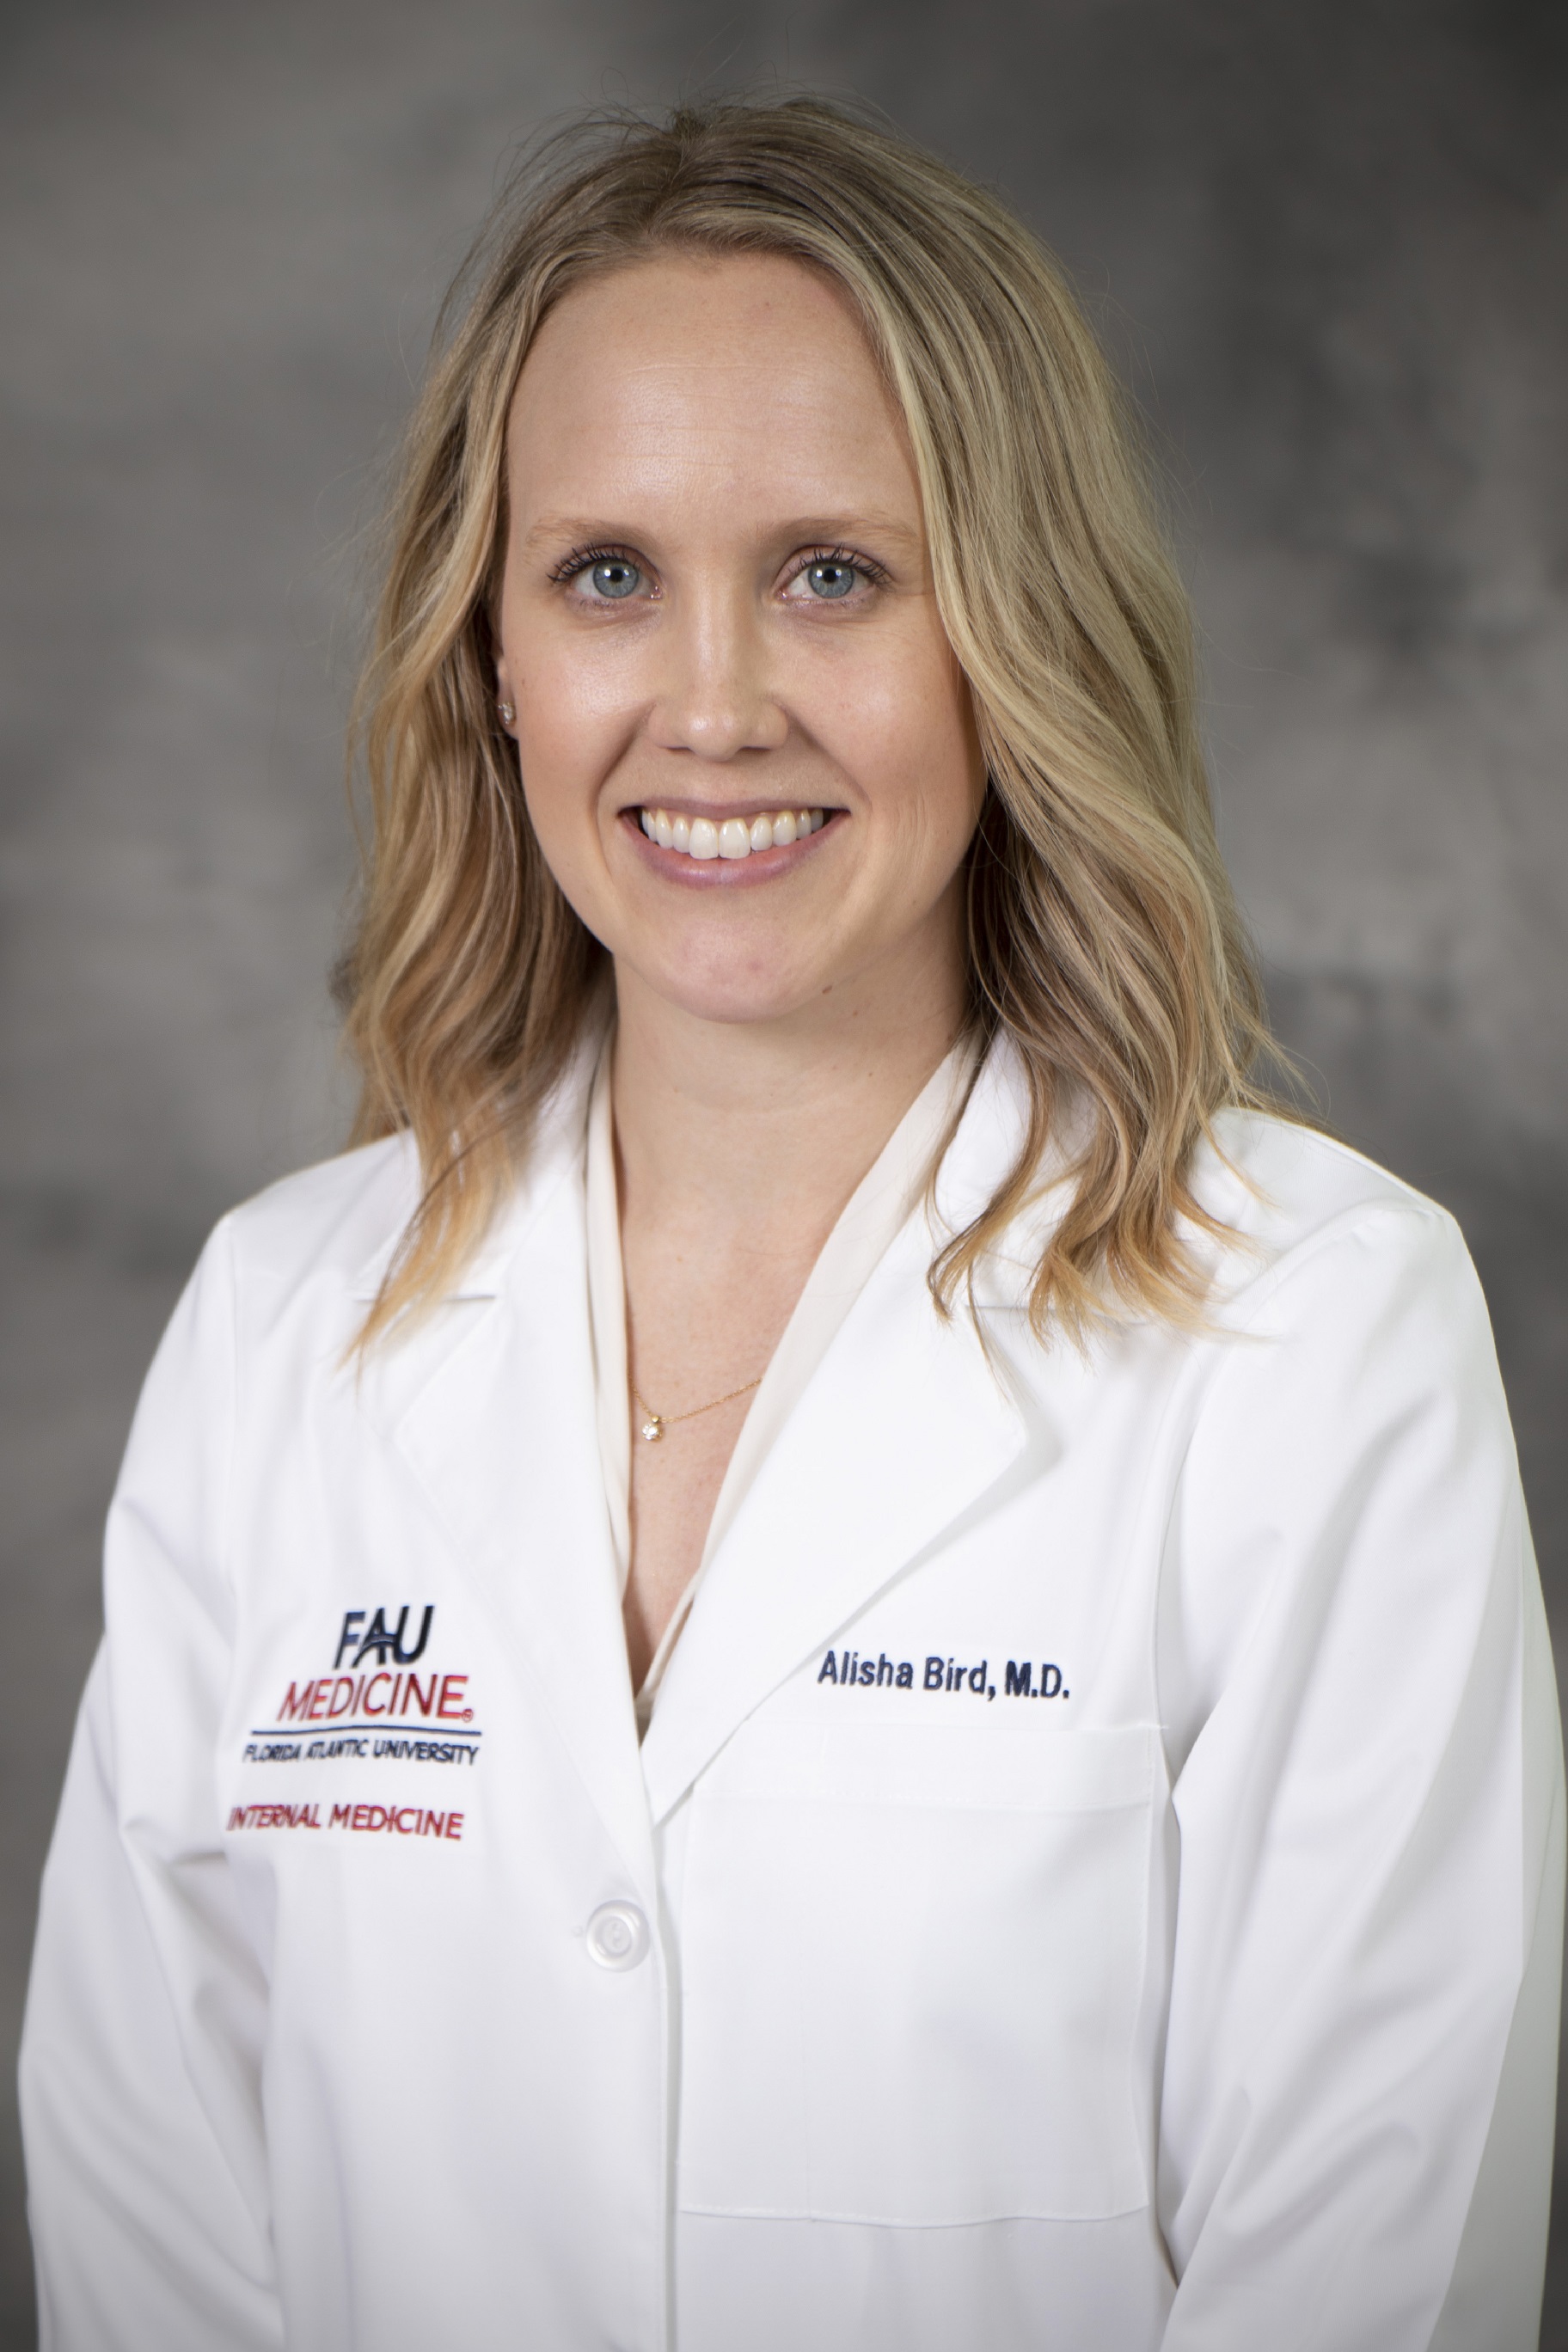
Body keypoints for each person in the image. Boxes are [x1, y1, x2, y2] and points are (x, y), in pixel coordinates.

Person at [19, 95, 1561, 2352]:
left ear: (1009, 634)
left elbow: (1366, 2256)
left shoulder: (1315, 1332)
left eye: (833, 571)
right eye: (606, 575)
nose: (715, 707)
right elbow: (145, 2188)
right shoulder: (282, 1322)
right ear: (494, 654)